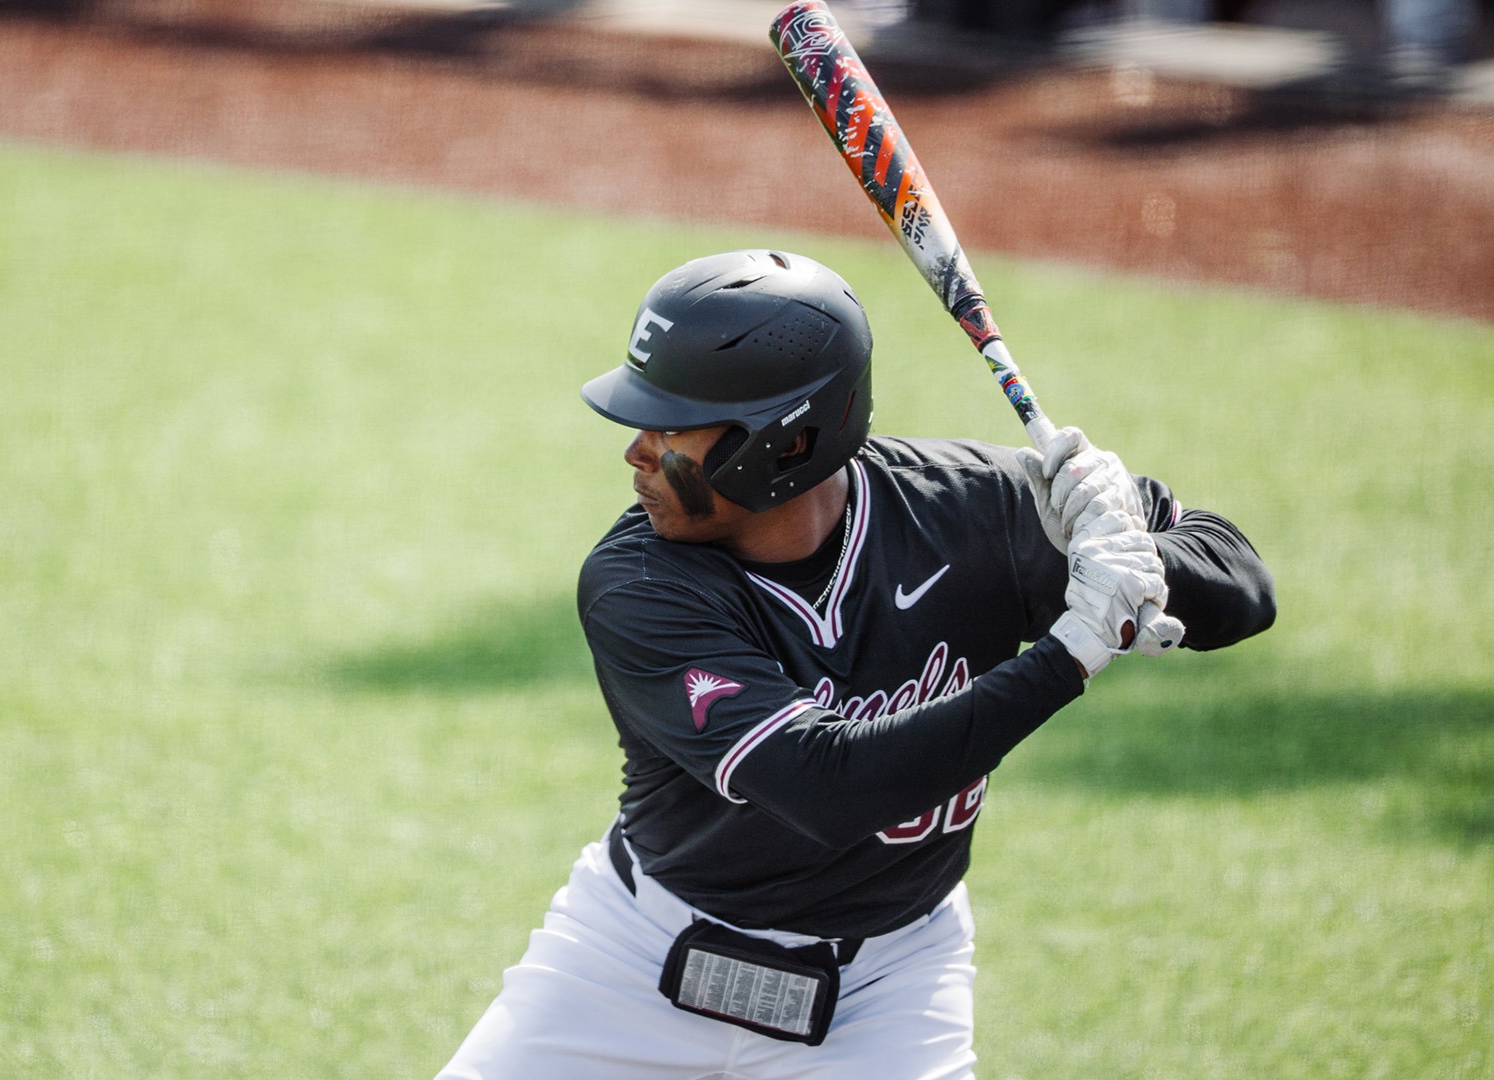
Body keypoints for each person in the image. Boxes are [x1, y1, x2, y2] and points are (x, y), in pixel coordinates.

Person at [438, 250, 1276, 1080]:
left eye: (671, 427)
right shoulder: (640, 582)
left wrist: (1131, 550)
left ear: (787, 442)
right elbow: (828, 787)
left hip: (889, 991)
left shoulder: (974, 510)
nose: (637, 452)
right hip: (628, 966)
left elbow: (1243, 584)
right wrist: (1075, 650)